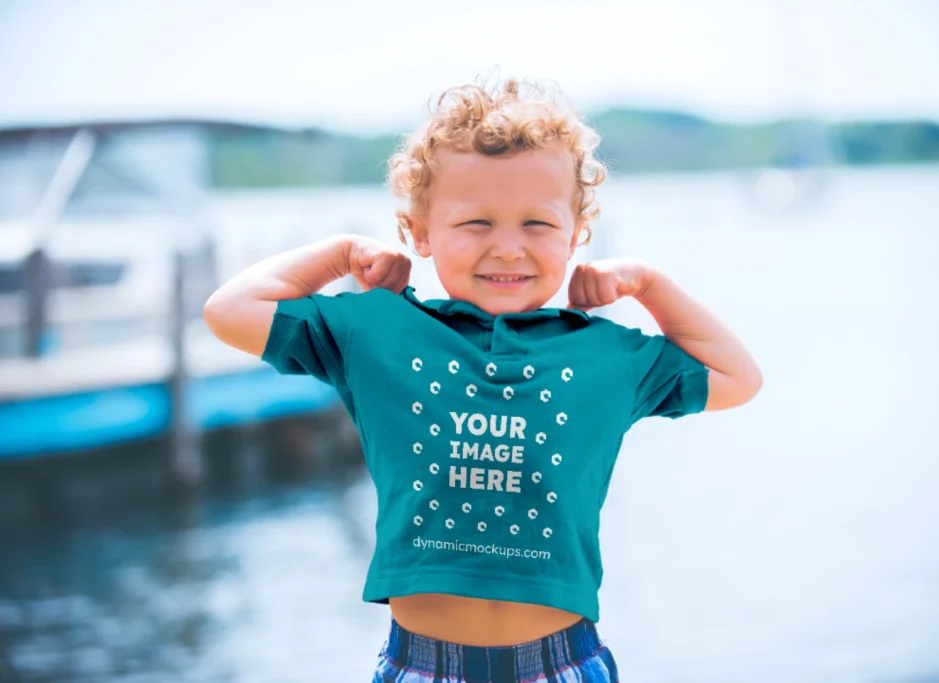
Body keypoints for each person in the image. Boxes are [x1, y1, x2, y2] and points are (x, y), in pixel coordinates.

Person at [204, 74, 763, 683]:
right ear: (419, 232)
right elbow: (228, 312)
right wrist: (340, 255)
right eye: (475, 223)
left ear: (576, 234)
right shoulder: (378, 332)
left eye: (537, 225)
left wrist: (649, 286)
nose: (506, 248)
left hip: (561, 663)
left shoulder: (607, 354)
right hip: (422, 665)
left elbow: (738, 378)